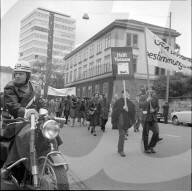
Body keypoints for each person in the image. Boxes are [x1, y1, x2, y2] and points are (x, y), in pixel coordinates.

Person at [1, 61, 62, 179]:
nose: (17, 76)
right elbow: (12, 105)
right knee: (22, 136)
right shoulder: (10, 87)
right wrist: (27, 112)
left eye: (21, 74)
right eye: (16, 73)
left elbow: (41, 101)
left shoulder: (35, 87)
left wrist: (43, 109)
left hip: (34, 120)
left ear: (27, 75)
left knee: (49, 130)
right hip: (15, 121)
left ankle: (50, 154)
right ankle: (10, 166)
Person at [111, 89, 135, 157]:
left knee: (122, 136)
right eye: (125, 93)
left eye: (127, 93)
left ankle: (119, 149)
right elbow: (115, 111)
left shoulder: (130, 102)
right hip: (120, 121)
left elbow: (133, 111)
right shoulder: (118, 102)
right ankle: (121, 150)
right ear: (122, 94)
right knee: (122, 135)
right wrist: (122, 109)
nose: (126, 94)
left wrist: (128, 110)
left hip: (127, 121)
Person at [139, 86, 160, 154]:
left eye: (152, 89)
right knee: (146, 134)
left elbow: (158, 107)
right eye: (149, 89)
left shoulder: (155, 97)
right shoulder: (143, 97)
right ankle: (146, 148)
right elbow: (141, 105)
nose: (151, 90)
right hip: (146, 118)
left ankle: (151, 145)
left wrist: (154, 110)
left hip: (153, 118)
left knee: (156, 132)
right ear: (147, 90)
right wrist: (147, 100)